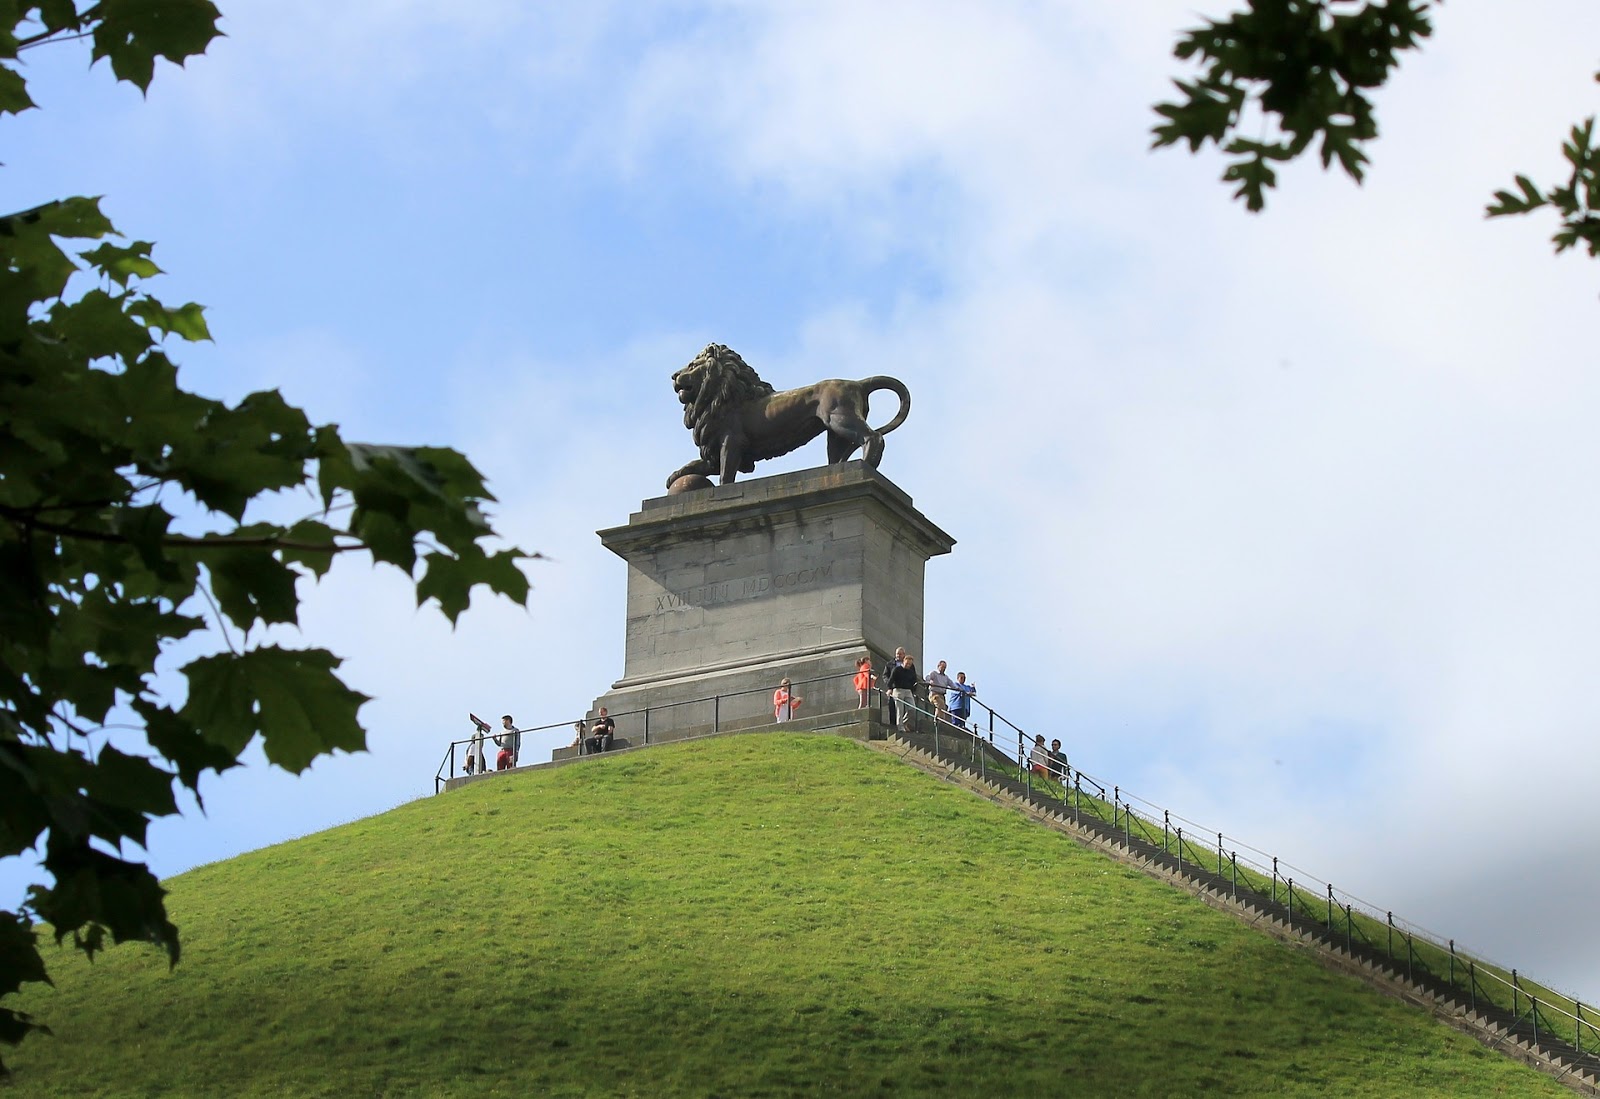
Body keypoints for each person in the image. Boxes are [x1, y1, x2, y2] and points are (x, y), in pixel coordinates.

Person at [887, 653, 920, 733]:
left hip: (908, 691)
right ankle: (900, 727)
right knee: (900, 709)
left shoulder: (911, 672)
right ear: (904, 661)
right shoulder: (897, 669)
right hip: (898, 690)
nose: (908, 665)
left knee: (912, 708)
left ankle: (904, 721)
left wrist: (913, 690)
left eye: (910, 664)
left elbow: (914, 681)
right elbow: (891, 680)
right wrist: (890, 689)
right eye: (907, 663)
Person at [880, 647, 907, 725]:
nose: (898, 655)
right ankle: (893, 724)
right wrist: (889, 685)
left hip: (904, 688)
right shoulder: (890, 664)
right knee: (892, 705)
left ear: (904, 655)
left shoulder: (908, 664)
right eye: (897, 654)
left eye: (900, 654)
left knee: (905, 707)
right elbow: (885, 675)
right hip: (893, 688)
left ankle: (903, 723)